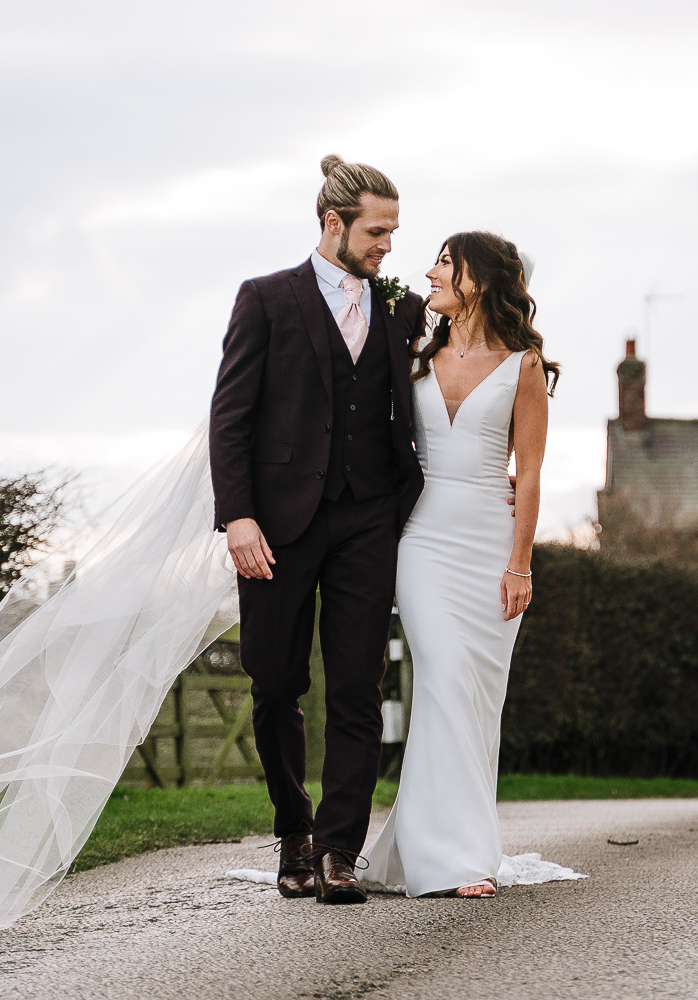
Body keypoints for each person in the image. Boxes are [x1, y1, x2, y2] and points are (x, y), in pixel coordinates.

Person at [209, 155, 428, 904]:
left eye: (394, 232)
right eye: (377, 231)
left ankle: (339, 848)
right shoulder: (267, 300)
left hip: (369, 515)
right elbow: (230, 415)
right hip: (275, 523)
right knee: (274, 684)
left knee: (360, 686)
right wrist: (237, 515)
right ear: (332, 223)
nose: (388, 246)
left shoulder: (401, 308)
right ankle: (293, 833)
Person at [363, 231, 560, 898]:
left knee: (474, 698)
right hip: (420, 541)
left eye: (445, 262)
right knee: (443, 675)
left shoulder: (523, 366)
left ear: (479, 278)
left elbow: (528, 475)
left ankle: (452, 848)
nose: (430, 272)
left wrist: (520, 565)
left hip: (488, 541)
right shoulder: (413, 348)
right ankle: (449, 858)